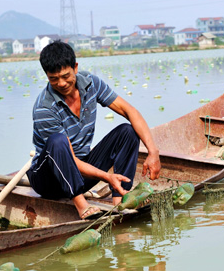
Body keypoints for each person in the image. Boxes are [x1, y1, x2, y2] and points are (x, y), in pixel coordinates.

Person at [27, 40, 161, 219]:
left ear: (75, 67)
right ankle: (82, 206)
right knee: (57, 142)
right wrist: (106, 176)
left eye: (66, 76)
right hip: (49, 180)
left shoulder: (90, 84)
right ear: (47, 76)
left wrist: (153, 152)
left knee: (127, 132)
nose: (61, 83)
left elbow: (129, 111)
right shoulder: (45, 108)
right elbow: (70, 160)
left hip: (81, 174)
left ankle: (120, 200)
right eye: (54, 79)